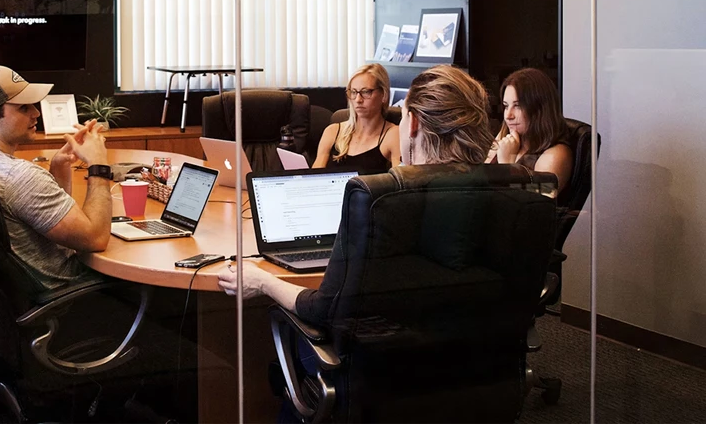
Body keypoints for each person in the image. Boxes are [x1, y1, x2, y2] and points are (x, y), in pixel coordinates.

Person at [218, 65, 492, 317]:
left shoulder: (381, 204)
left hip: (381, 348)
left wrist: (263, 281)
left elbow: (324, 308)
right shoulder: (504, 190)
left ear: (414, 123)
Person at [0, 65, 113, 291]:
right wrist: (98, 165)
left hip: (19, 297)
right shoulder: (19, 177)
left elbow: (49, 220)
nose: (36, 113)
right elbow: (95, 238)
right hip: (71, 294)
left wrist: (58, 167)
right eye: (23, 107)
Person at [486, 67, 573, 193]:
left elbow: (534, 201)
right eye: (506, 106)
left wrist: (506, 165)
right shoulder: (507, 137)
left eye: (518, 106)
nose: (508, 116)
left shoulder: (556, 154)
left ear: (539, 109)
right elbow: (480, 183)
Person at [312, 63, 400, 171]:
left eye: (366, 92)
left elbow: (401, 179)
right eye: (353, 92)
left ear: (384, 95)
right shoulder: (332, 132)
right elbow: (314, 177)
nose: (358, 99)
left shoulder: (393, 134)